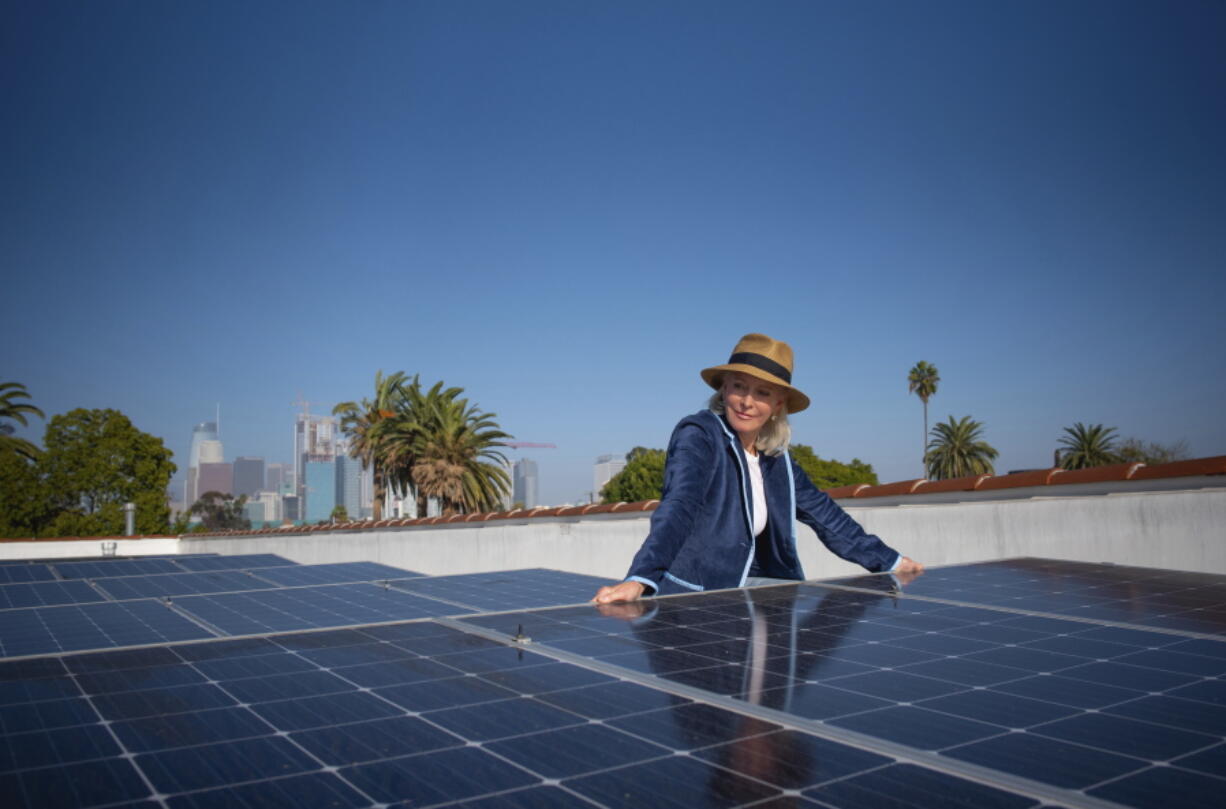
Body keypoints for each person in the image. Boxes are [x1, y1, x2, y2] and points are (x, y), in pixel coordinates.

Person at [593, 333, 923, 604]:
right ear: (724, 389)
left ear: (778, 404)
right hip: (694, 602)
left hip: (754, 601)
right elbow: (680, 505)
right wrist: (641, 577)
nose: (747, 401)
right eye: (739, 386)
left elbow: (827, 517)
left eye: (762, 392)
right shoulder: (700, 435)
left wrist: (891, 561)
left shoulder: (776, 461)